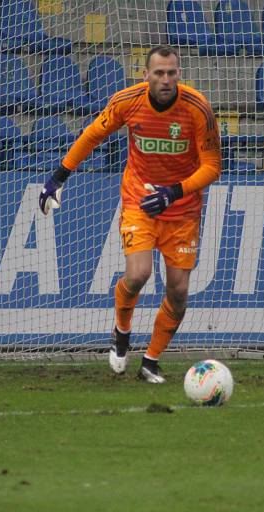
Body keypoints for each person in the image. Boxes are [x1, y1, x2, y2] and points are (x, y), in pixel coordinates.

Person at [39, 45, 222, 384]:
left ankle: (150, 361)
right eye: (159, 73)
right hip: (140, 199)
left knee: (179, 291)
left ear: (178, 74)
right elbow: (93, 134)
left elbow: (213, 166)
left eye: (171, 73)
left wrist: (174, 192)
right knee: (138, 274)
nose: (166, 79)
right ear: (146, 74)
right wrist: (58, 177)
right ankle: (122, 332)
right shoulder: (127, 101)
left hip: (182, 209)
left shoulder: (197, 108)